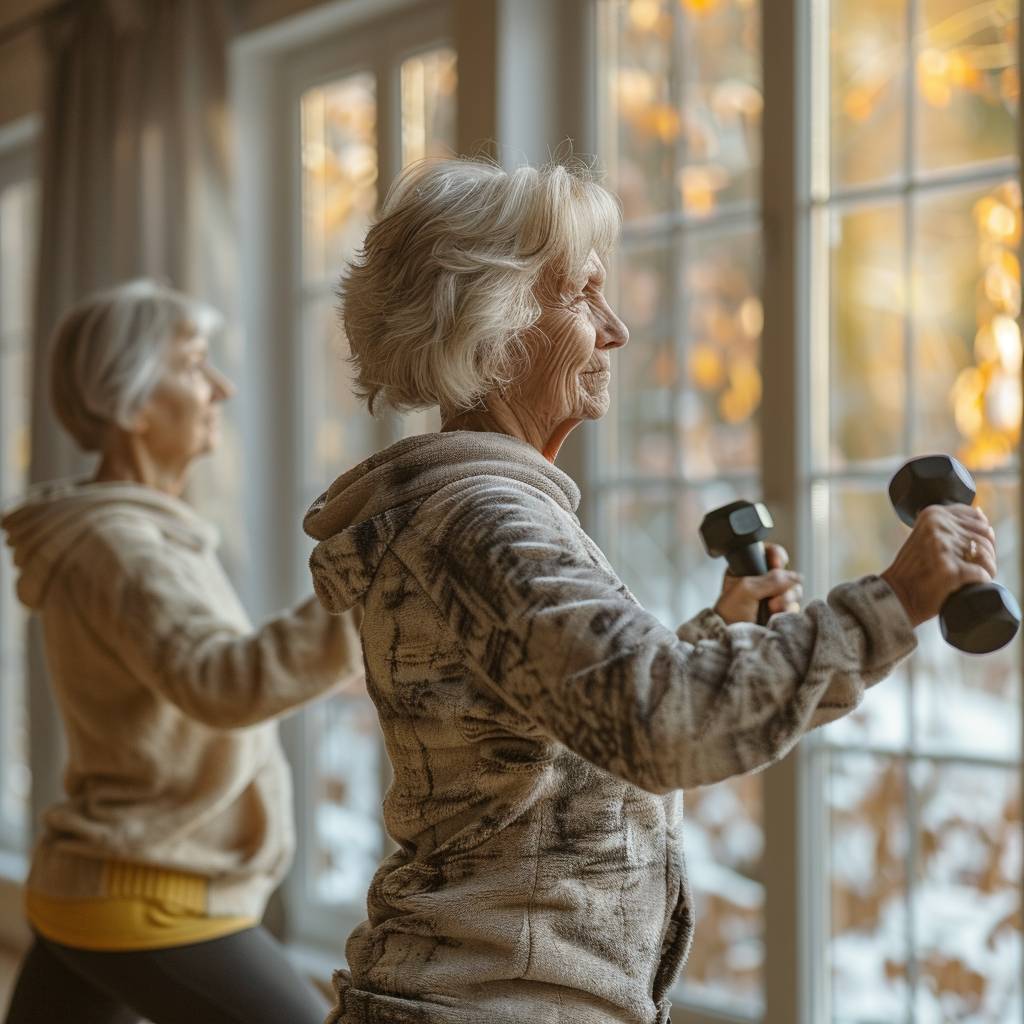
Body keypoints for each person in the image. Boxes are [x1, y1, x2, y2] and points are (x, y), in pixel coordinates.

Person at [302, 158, 999, 1024]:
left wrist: (711, 640)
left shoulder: (484, 513)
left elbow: (573, 737)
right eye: (584, 294)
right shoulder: (484, 520)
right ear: (496, 323)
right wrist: (896, 598)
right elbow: (656, 724)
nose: (618, 328)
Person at [2, 279, 363, 1024]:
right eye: (195, 365)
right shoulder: (121, 548)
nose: (221, 387)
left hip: (100, 884)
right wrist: (364, 588)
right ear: (130, 403)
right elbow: (221, 681)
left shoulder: (135, 534)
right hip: (150, 898)